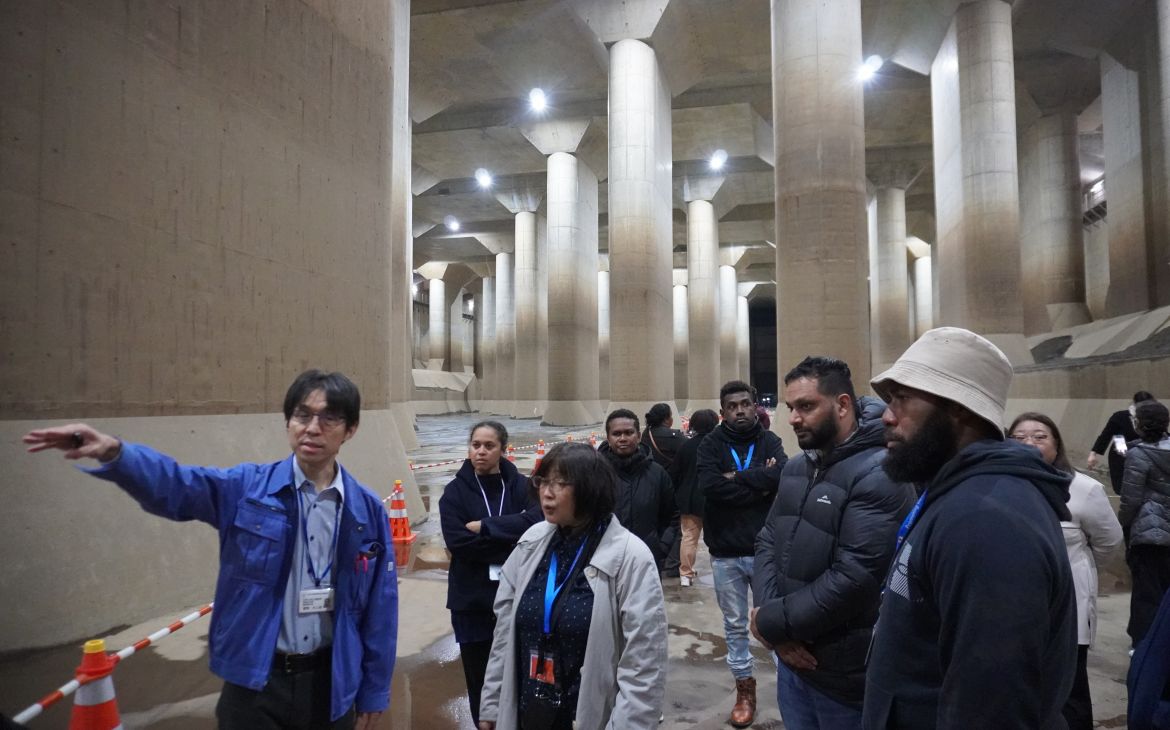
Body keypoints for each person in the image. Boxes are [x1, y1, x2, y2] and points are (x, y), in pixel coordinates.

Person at [22, 370, 397, 730]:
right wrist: (115, 453)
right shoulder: (246, 489)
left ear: (350, 429)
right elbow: (179, 486)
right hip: (255, 685)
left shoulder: (365, 512)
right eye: (303, 415)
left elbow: (381, 607)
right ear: (288, 422)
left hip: (331, 684)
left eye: (329, 418)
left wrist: (374, 690)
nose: (312, 428)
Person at [862, 327, 1076, 730]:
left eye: (903, 399)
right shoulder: (957, 495)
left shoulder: (986, 520)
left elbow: (992, 706)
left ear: (958, 408)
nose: (887, 416)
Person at [751, 357, 915, 729]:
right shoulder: (796, 467)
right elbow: (767, 541)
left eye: (806, 406)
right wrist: (771, 621)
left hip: (845, 677)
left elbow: (856, 576)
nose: (793, 418)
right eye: (791, 407)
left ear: (842, 405)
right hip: (794, 663)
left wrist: (772, 622)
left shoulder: (881, 472)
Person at [477, 442, 667, 730]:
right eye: (543, 481)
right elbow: (504, 632)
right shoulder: (531, 542)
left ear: (591, 490)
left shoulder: (631, 557)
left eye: (561, 483)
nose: (547, 492)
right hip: (529, 707)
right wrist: (492, 703)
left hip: (588, 715)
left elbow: (643, 664)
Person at [1009, 411, 1123, 730]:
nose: (1029, 443)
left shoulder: (1084, 489)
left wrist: (1080, 569)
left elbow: (1108, 541)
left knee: (1069, 691)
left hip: (1069, 604)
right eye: (1018, 438)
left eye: (1040, 436)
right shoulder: (1004, 488)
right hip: (1015, 606)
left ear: (1056, 446)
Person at [697, 380, 788, 728]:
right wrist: (758, 482)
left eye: (745, 404)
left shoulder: (770, 440)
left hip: (765, 550)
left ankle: (790, 689)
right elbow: (710, 486)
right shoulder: (711, 443)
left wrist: (735, 477)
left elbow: (781, 475)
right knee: (735, 626)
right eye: (732, 406)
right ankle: (744, 690)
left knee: (775, 622)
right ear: (723, 412)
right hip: (724, 554)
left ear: (755, 406)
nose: (739, 411)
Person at [440, 420, 541, 726]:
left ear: (503, 449)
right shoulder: (454, 493)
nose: (481, 452)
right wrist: (512, 539)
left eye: (489, 446)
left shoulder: (523, 487)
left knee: (520, 676)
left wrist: (486, 527)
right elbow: (458, 543)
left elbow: (537, 523)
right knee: (480, 681)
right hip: (472, 603)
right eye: (475, 445)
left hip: (518, 597)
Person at [597, 408, 679, 572]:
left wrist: (661, 546)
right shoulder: (595, 473)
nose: (623, 438)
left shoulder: (657, 473)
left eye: (628, 433)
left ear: (639, 436)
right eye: (617, 434)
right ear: (608, 437)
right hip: (603, 561)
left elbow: (672, 516)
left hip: (647, 560)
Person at [1119, 400, 1170, 648]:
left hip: (1149, 536)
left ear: (1139, 424)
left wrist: (1123, 525)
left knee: (1147, 595)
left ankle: (1143, 647)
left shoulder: (1139, 454)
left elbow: (1131, 499)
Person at [668, 408, 718, 587]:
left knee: (689, 536)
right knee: (718, 537)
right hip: (714, 498)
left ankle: (685, 575)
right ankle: (720, 571)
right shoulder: (717, 444)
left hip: (689, 498)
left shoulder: (686, 445)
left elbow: (674, 472)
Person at [1089, 391, 1153, 494]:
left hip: (1145, 457)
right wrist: (1093, 453)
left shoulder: (1154, 418)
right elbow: (1106, 436)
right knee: (1124, 490)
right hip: (1121, 457)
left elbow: (1162, 435)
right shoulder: (1120, 416)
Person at [641, 402, 686, 470]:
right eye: (671, 416)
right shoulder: (675, 436)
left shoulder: (646, 433)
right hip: (670, 476)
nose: (672, 418)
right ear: (666, 419)